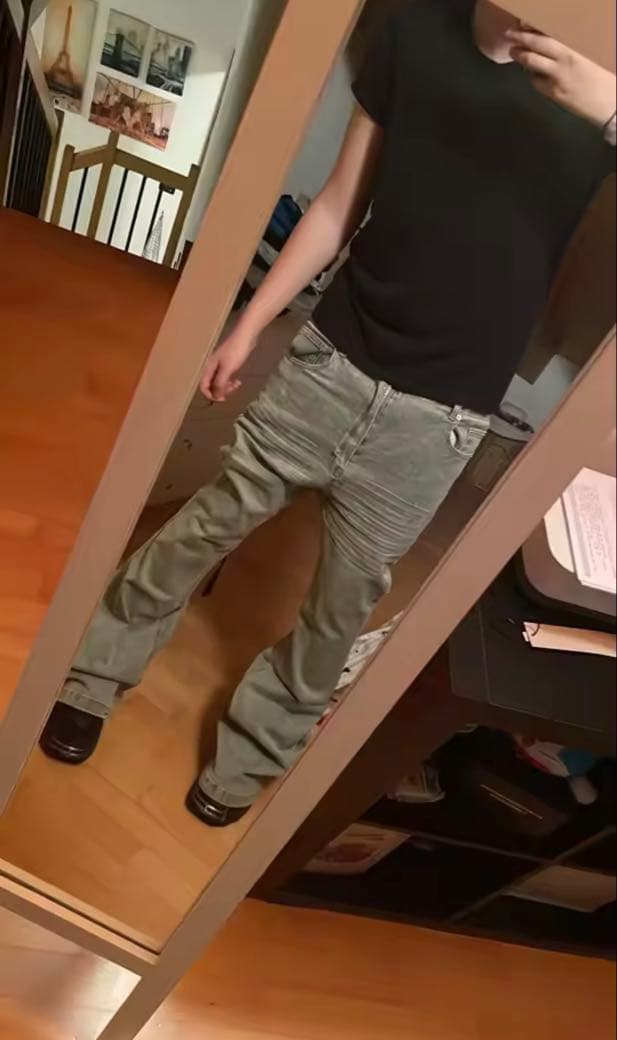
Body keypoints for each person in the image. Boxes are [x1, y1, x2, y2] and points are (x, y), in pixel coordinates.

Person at [40, 1, 616, 826]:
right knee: (199, 529)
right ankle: (91, 679)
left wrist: (610, 109)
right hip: (329, 362)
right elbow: (341, 202)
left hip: (438, 422)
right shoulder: (412, 33)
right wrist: (250, 324)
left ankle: (254, 750)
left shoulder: (597, 80)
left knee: (336, 612)